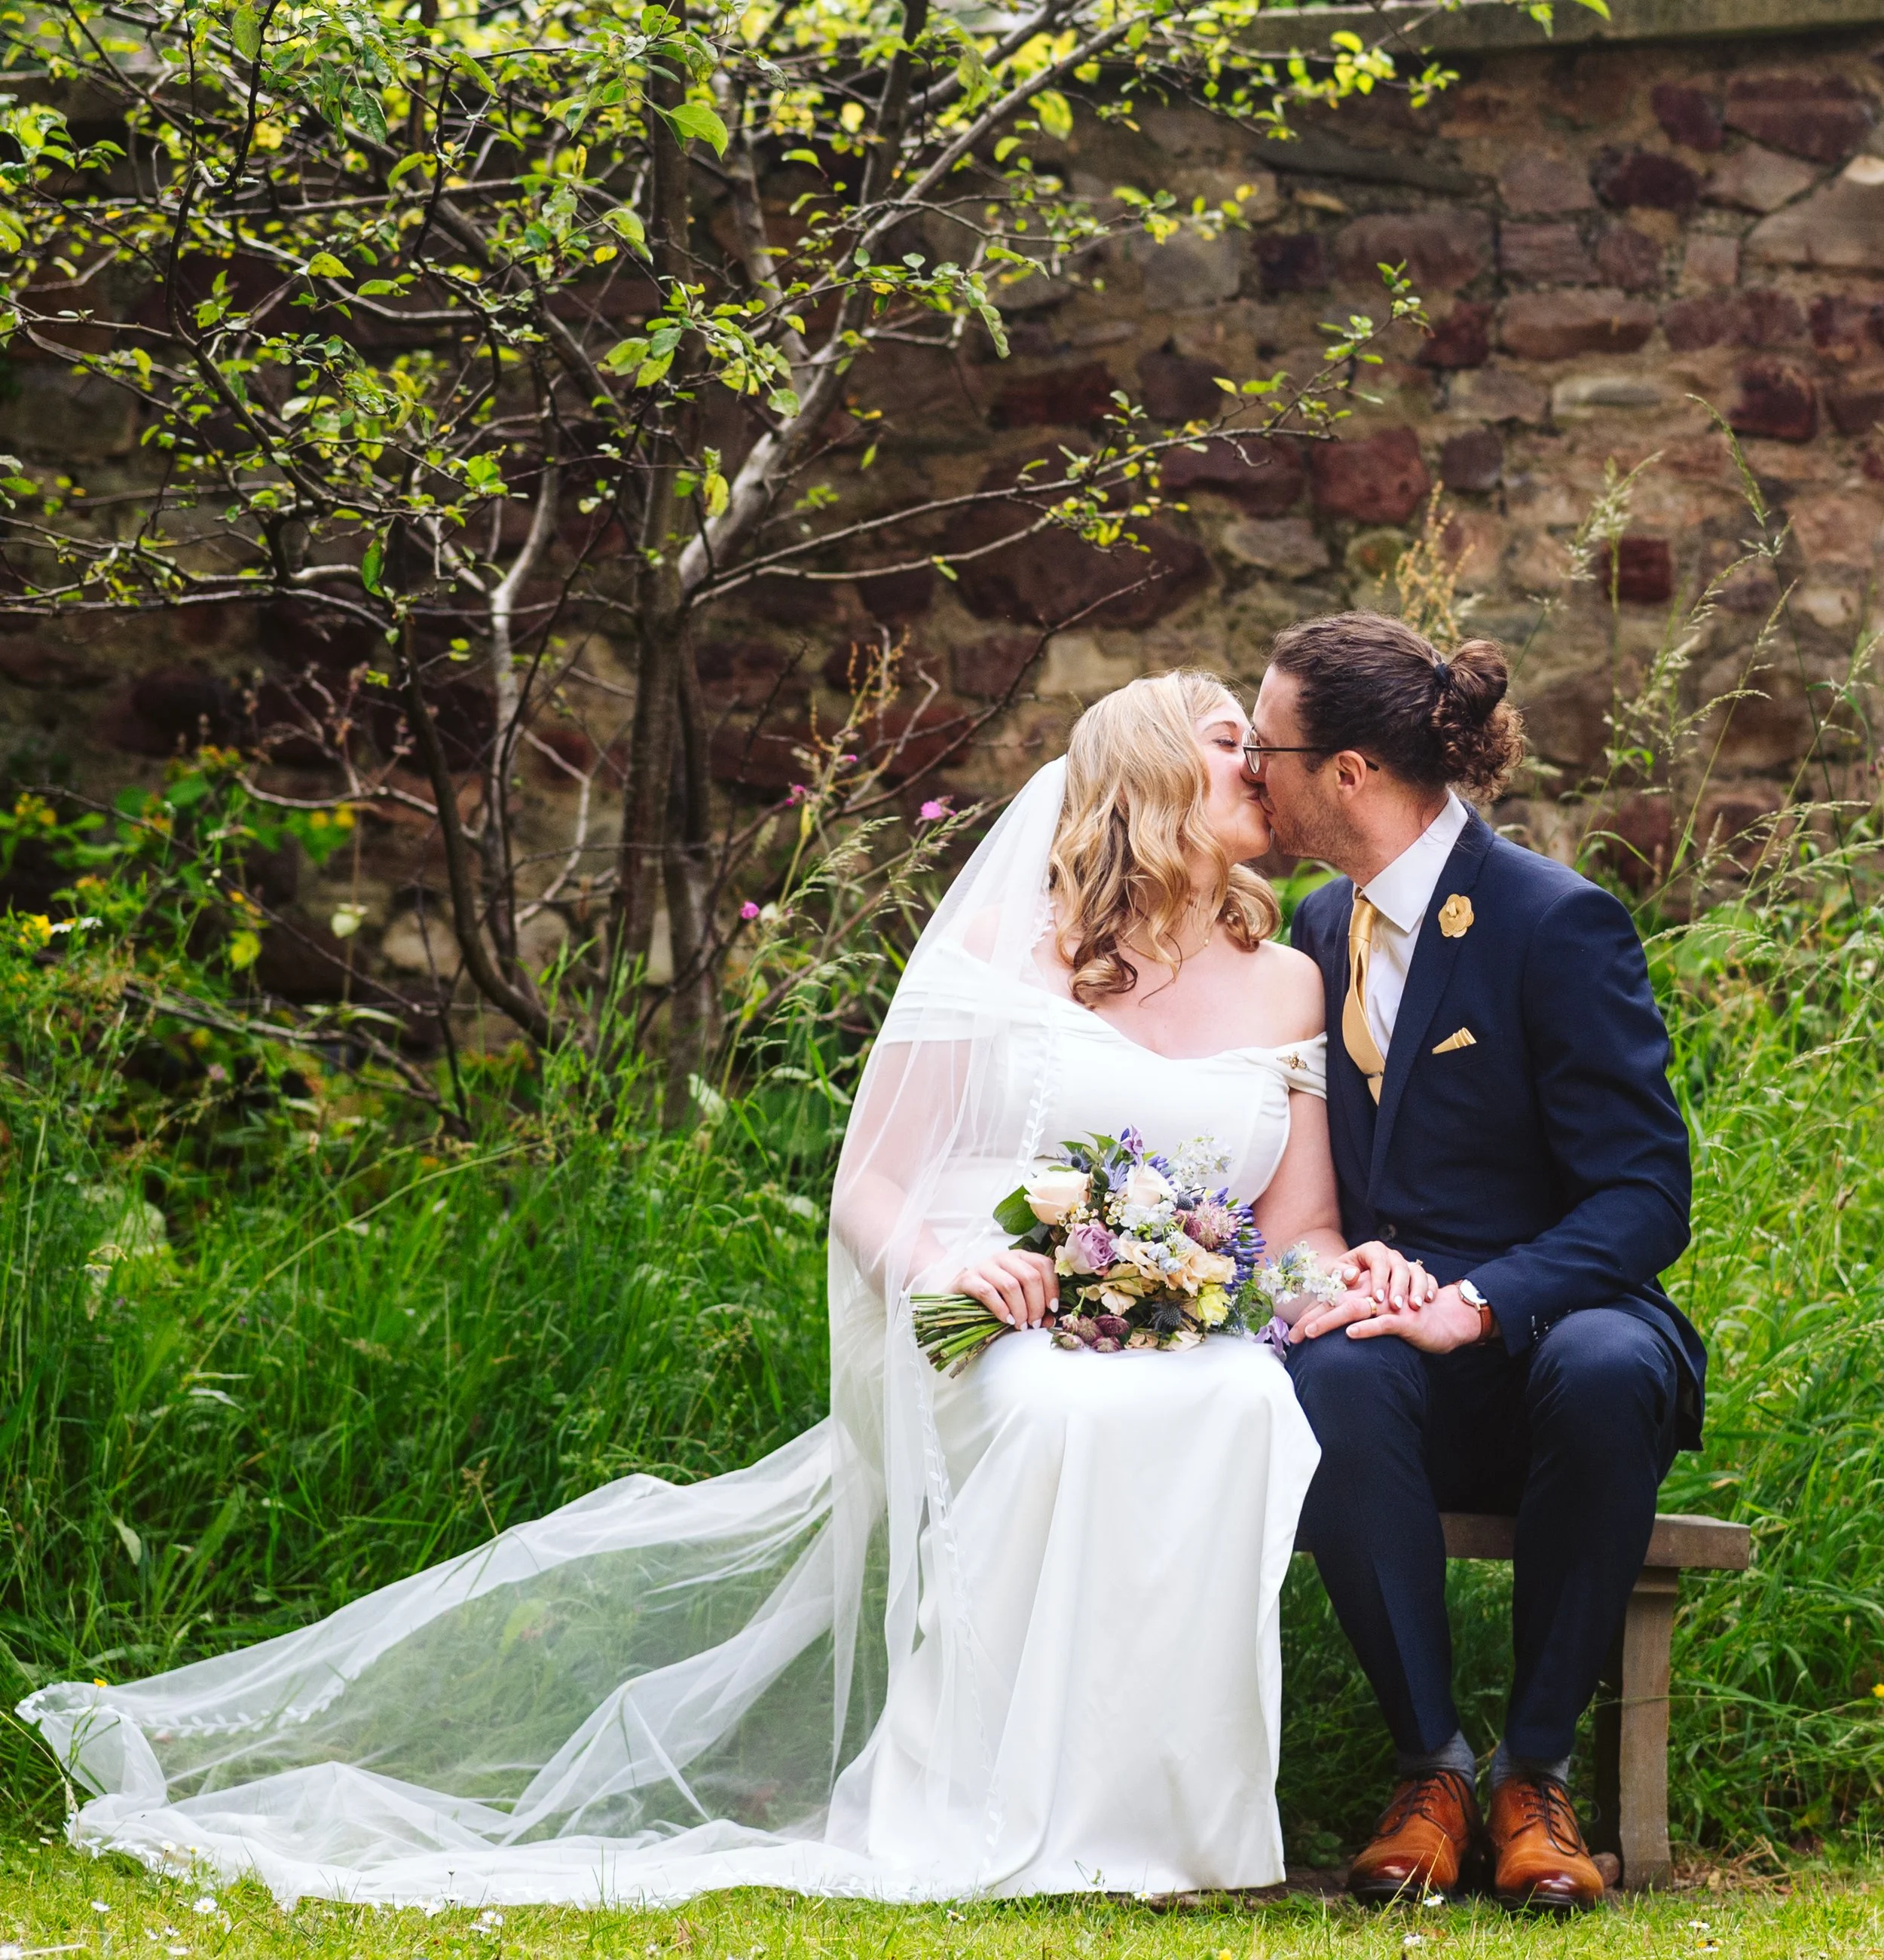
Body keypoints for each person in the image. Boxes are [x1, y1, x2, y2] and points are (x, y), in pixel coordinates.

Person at [23, 670, 1423, 1908]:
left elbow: (1294, 1221)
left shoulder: (1291, 981)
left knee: (1246, 1400)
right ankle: (996, 1809)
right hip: (1000, 1321)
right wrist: (955, 1265)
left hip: (1177, 1330)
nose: (1263, 764)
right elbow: (870, 1187)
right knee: (1060, 1414)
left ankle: (1175, 1833)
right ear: (1143, 772)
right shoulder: (1012, 952)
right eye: (1231, 738)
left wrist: (1311, 1289)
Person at [1248, 612, 1704, 1914]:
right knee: (1327, 1369)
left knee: (1615, 1364)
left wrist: (1482, 1301)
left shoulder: (1555, 922)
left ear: (1346, 772)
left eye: (1267, 746)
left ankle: (1537, 1780)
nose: (1248, 773)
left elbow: (1644, 1195)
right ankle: (1431, 1772)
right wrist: (1362, 1284)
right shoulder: (1316, 923)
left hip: (1560, 1340)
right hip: (1397, 1372)